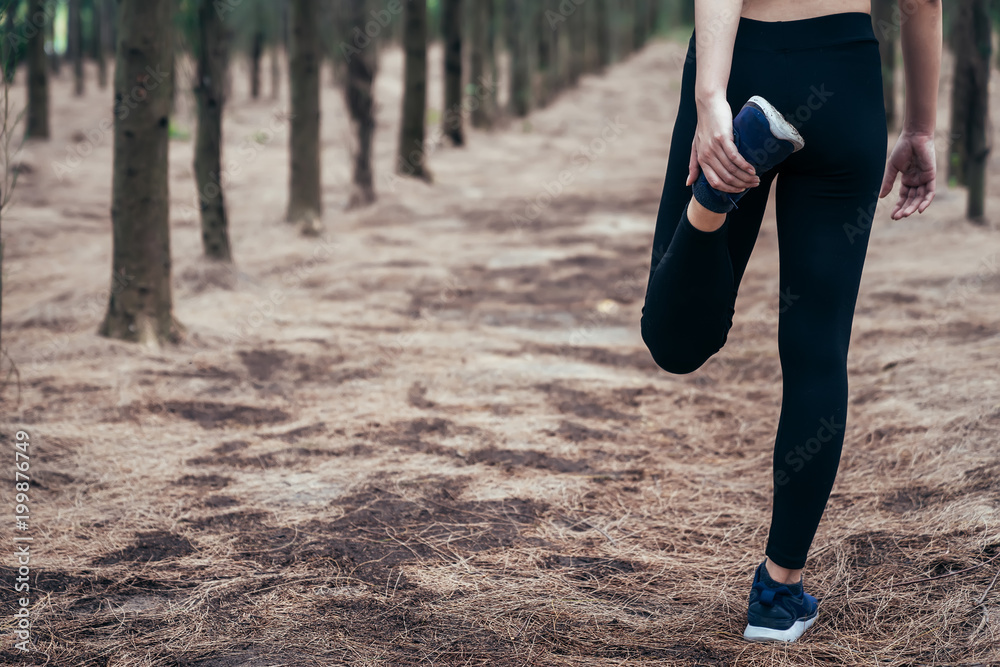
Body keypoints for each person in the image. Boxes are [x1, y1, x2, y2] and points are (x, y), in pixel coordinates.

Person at [639, 0, 942, 643]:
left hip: (743, 59)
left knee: (674, 341)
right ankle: (777, 593)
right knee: (818, 347)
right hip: (847, 82)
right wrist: (921, 126)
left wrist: (712, 98)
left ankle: (712, 203)